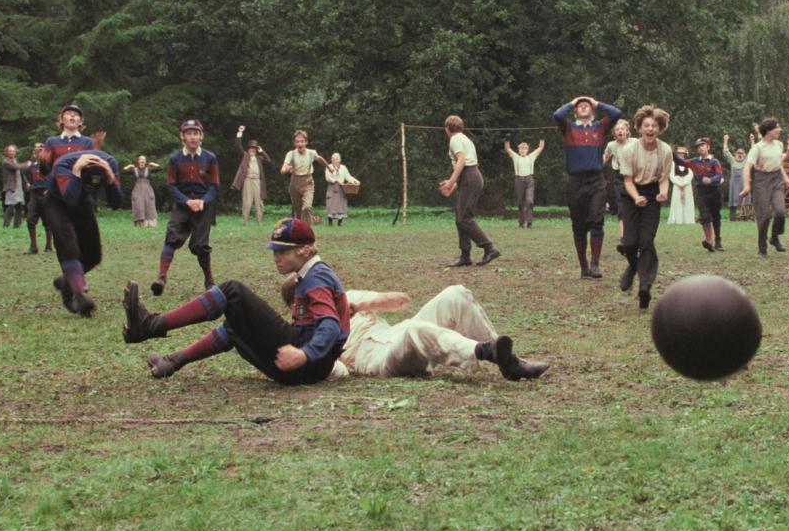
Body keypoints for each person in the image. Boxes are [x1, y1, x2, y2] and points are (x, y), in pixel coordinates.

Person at [123, 218, 349, 385]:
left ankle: (151, 325)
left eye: (283, 251)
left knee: (233, 292)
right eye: (274, 251)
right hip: (306, 367)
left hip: (306, 363)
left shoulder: (317, 276)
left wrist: (304, 354)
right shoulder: (309, 275)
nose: (276, 257)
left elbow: (330, 326)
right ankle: (171, 361)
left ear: (306, 250)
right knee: (236, 322)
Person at [328, 285, 549, 381]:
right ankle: (483, 351)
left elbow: (401, 300)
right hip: (378, 358)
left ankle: (508, 361)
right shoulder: (310, 329)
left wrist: (359, 306)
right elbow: (335, 370)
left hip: (397, 331)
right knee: (416, 330)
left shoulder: (349, 296)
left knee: (455, 294)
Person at [45, 149, 124, 315]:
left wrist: (110, 178)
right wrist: (76, 172)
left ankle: (67, 281)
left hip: (83, 202)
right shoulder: (63, 165)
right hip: (57, 203)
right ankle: (79, 296)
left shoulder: (110, 164)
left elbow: (117, 203)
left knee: (93, 256)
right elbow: (70, 200)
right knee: (69, 247)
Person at [554, 96, 624, 279]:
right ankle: (583, 265)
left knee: (597, 221)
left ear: (592, 111)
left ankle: (595, 264)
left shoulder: (599, 127)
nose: (583, 107)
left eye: (587, 106)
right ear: (575, 111)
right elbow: (558, 115)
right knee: (578, 226)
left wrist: (597, 103)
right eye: (580, 106)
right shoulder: (569, 128)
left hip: (596, 181)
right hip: (575, 182)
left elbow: (616, 113)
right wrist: (572, 102)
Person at [151, 119, 219, 295]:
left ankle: (209, 280)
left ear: (201, 136)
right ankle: (161, 277)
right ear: (182, 136)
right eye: (189, 133)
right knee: (172, 237)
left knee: (200, 246)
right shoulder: (175, 158)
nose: (192, 137)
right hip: (182, 204)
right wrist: (186, 201)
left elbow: (214, 185)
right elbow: (171, 186)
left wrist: (203, 201)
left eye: (196, 133)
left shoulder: (210, 158)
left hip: (204, 205)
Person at [618, 105, 672, 310]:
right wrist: (636, 197)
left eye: (654, 126)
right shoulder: (629, 149)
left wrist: (663, 193)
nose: (650, 129)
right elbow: (628, 180)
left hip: (652, 195)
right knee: (630, 243)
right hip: (631, 193)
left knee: (646, 240)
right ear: (639, 128)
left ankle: (645, 287)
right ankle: (632, 267)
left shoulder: (665, 150)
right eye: (646, 125)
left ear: (660, 128)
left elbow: (664, 179)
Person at [439, 115, 499, 267]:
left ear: (447, 128)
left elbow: (462, 160)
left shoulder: (455, 139)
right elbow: (463, 164)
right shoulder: (464, 138)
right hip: (469, 177)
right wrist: (453, 186)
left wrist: (451, 181)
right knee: (460, 217)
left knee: (464, 218)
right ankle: (465, 256)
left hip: (469, 176)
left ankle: (489, 248)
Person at [739, 118, 789, 256]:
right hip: (761, 181)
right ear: (769, 130)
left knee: (780, 211)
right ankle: (762, 248)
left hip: (776, 179)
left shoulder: (779, 144)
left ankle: (774, 237)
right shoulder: (757, 148)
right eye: (777, 127)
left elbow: (779, 162)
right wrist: (747, 186)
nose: (780, 129)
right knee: (764, 216)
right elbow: (747, 167)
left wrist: (786, 178)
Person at [280, 130, 329, 224]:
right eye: (297, 141)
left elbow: (319, 159)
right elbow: (284, 166)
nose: (300, 143)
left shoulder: (311, 152)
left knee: (306, 208)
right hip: (294, 183)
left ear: (306, 142)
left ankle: (307, 230)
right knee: (298, 213)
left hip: (307, 183)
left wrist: (329, 167)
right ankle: (302, 229)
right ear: (294, 143)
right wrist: (284, 169)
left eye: (302, 141)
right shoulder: (291, 154)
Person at [602, 120, 636, 251]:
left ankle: (634, 235)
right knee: (622, 207)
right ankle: (623, 238)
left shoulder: (635, 143)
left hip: (635, 178)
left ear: (627, 131)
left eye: (622, 129)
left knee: (635, 206)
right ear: (614, 134)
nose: (620, 131)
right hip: (619, 178)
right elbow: (604, 159)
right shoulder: (611, 145)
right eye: (617, 130)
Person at [688, 137, 724, 252]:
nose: (700, 147)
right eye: (698, 146)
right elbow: (682, 162)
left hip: (714, 191)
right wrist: (671, 153)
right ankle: (708, 240)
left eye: (702, 145)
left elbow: (720, 176)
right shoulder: (695, 161)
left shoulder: (715, 162)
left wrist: (711, 180)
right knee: (704, 216)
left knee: (716, 216)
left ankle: (718, 240)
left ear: (708, 147)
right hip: (701, 191)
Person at [231, 125, 271, 225]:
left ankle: (259, 222)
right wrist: (240, 133)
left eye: (254, 148)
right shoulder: (245, 155)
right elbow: (238, 146)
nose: (253, 149)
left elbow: (268, 160)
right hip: (247, 180)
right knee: (247, 202)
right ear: (248, 149)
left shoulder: (259, 158)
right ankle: (244, 222)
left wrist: (262, 151)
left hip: (257, 181)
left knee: (259, 203)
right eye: (251, 148)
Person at [504, 138, 544, 228]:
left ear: (527, 150)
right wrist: (507, 140)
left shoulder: (531, 157)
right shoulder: (515, 157)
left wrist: (541, 138)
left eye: (524, 149)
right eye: (521, 149)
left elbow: (541, 147)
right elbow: (507, 148)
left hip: (529, 180)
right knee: (520, 202)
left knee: (529, 201)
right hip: (519, 180)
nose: (523, 150)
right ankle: (521, 222)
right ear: (519, 150)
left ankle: (529, 222)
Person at [24, 143, 53, 254]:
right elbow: (30, 178)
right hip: (34, 195)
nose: (37, 150)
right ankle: (33, 247)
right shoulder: (32, 165)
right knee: (30, 220)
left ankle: (49, 247)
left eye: (40, 148)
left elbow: (53, 177)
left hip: (46, 194)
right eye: (36, 148)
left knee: (48, 221)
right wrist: (28, 185)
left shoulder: (49, 163)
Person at [122, 155, 161, 227]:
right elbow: (123, 171)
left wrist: (153, 164)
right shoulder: (134, 170)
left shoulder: (149, 169)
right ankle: (140, 224)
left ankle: (150, 224)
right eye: (141, 159)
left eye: (144, 160)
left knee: (149, 205)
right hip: (137, 190)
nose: (142, 161)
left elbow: (160, 168)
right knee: (138, 205)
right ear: (138, 161)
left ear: (145, 162)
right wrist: (129, 166)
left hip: (147, 189)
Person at [324, 152, 360, 226]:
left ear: (340, 159)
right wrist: (335, 180)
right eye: (333, 158)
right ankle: (330, 222)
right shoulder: (328, 167)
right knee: (330, 204)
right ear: (331, 159)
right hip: (332, 187)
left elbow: (348, 177)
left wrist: (355, 181)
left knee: (341, 204)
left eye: (337, 158)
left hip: (341, 188)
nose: (335, 159)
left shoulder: (343, 167)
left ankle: (340, 222)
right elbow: (327, 177)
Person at [721, 133, 749, 222]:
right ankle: (732, 218)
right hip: (734, 185)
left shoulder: (746, 161)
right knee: (733, 201)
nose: (740, 154)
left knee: (746, 201)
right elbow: (725, 151)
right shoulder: (732, 160)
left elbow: (753, 151)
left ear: (744, 155)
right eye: (738, 153)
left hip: (744, 184)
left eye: (742, 153)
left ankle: (746, 217)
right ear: (735, 154)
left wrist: (752, 140)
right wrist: (725, 140)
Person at [1, 145, 30, 228]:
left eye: (13, 151)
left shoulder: (15, 160)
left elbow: (20, 173)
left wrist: (26, 182)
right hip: (11, 187)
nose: (11, 152)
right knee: (10, 206)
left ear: (15, 152)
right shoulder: (6, 162)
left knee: (19, 206)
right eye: (10, 151)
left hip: (19, 187)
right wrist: (26, 164)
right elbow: (15, 167)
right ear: (6, 152)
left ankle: (17, 225)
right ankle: (6, 225)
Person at [666, 146, 696, 226]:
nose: (681, 155)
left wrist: (685, 183)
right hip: (677, 185)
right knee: (677, 202)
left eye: (682, 154)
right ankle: (678, 219)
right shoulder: (673, 163)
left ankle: (688, 220)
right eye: (679, 154)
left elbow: (691, 174)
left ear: (685, 155)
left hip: (687, 185)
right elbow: (671, 175)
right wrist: (679, 183)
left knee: (687, 202)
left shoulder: (688, 163)